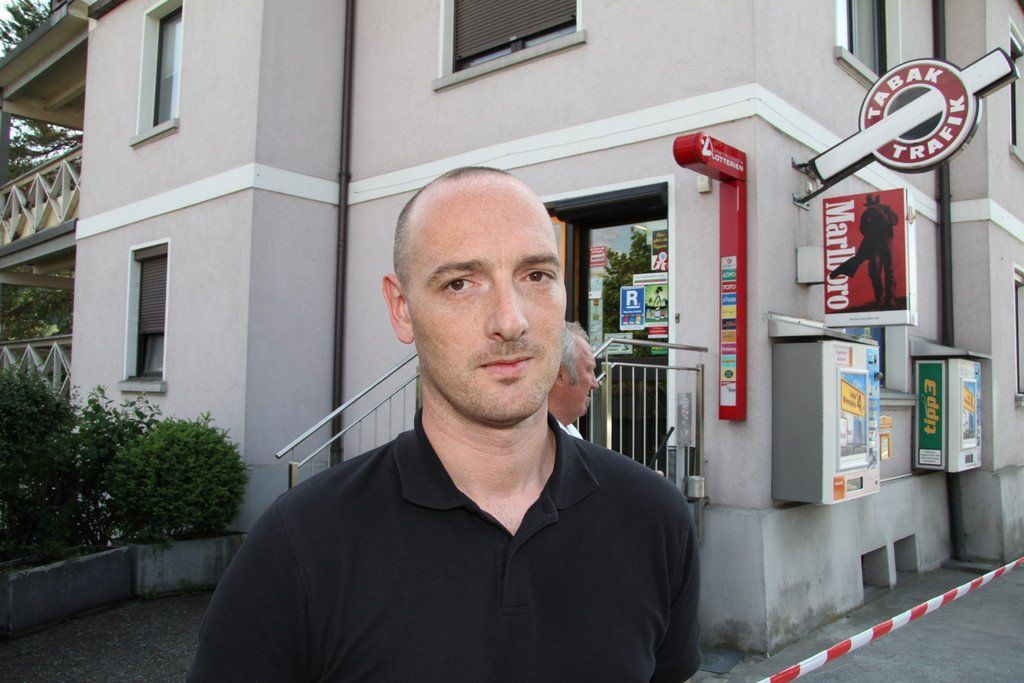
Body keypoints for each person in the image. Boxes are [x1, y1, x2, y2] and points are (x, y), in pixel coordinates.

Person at [188, 166, 700, 682]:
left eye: (536, 276)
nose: (511, 320)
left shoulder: (654, 519)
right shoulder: (299, 547)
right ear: (402, 309)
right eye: (460, 283)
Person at [548, 321, 600, 438]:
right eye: (589, 369)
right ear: (560, 374)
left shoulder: (567, 432)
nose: (595, 384)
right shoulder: (535, 443)